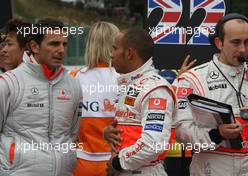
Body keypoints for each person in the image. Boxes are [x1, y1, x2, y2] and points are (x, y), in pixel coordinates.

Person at [0, 18, 82, 176]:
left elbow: (72, 133)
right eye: (54, 44)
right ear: (35, 46)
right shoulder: (7, 83)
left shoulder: (74, 84)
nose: (61, 50)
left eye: (64, 44)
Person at [173, 13, 248, 176]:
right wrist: (217, 134)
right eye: (236, 42)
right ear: (219, 42)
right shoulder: (192, 79)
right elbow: (180, 131)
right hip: (212, 165)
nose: (243, 49)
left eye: (247, 42)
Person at [104, 28, 176, 175]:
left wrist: (118, 162)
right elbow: (132, 130)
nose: (111, 55)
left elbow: (154, 143)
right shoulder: (129, 84)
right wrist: (108, 133)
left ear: (129, 53)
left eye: (115, 48)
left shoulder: (155, 89)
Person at [70, 21, 119, 176]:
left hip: (80, 161)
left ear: (90, 44)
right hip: (116, 162)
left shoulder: (74, 77)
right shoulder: (125, 79)